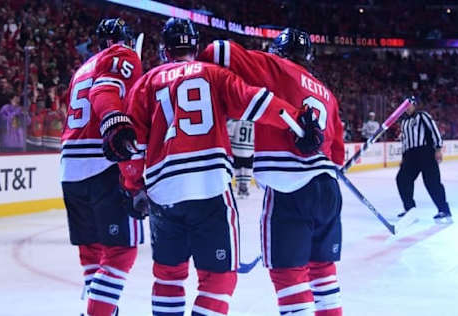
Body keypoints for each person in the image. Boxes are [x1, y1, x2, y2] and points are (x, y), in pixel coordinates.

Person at [105, 18, 321, 316]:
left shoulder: (146, 82)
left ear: (164, 49)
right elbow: (255, 101)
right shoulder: (214, 74)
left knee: (168, 277)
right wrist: (299, 122)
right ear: (195, 46)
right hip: (209, 187)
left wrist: (133, 187)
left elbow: (130, 146)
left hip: (162, 191)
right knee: (219, 280)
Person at [199, 28, 345, 315]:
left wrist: (194, 66)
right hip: (328, 190)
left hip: (290, 187)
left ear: (278, 50)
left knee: (289, 276)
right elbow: (338, 154)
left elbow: (218, 50)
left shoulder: (273, 66)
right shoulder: (326, 92)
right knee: (323, 272)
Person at [60, 18, 145, 316]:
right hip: (103, 163)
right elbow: (108, 94)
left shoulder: (81, 69)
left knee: (92, 248)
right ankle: (97, 312)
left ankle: (101, 308)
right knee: (122, 249)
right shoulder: (124, 55)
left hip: (69, 165)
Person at [396, 101, 452, 223]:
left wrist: (438, 148)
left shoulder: (422, 115)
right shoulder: (404, 122)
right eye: (404, 106)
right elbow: (405, 141)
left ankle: (443, 209)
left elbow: (434, 130)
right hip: (410, 155)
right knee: (402, 179)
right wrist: (403, 157)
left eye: (408, 105)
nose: (407, 108)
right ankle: (410, 209)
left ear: (414, 105)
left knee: (432, 181)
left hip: (425, 152)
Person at [227, 119, 255, 198]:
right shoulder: (253, 123)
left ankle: (240, 188)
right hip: (249, 149)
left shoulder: (236, 121)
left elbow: (230, 135)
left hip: (236, 149)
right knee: (248, 169)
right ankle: (245, 187)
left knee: (238, 168)